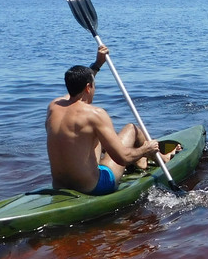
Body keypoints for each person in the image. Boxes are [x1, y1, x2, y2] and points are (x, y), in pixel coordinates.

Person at [46, 45, 179, 194]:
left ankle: (141, 161)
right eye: (94, 86)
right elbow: (122, 158)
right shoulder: (95, 114)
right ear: (88, 88)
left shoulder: (53, 107)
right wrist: (147, 148)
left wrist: (97, 64)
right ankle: (161, 158)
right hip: (93, 187)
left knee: (93, 137)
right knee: (131, 129)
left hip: (59, 186)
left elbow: (75, 91)